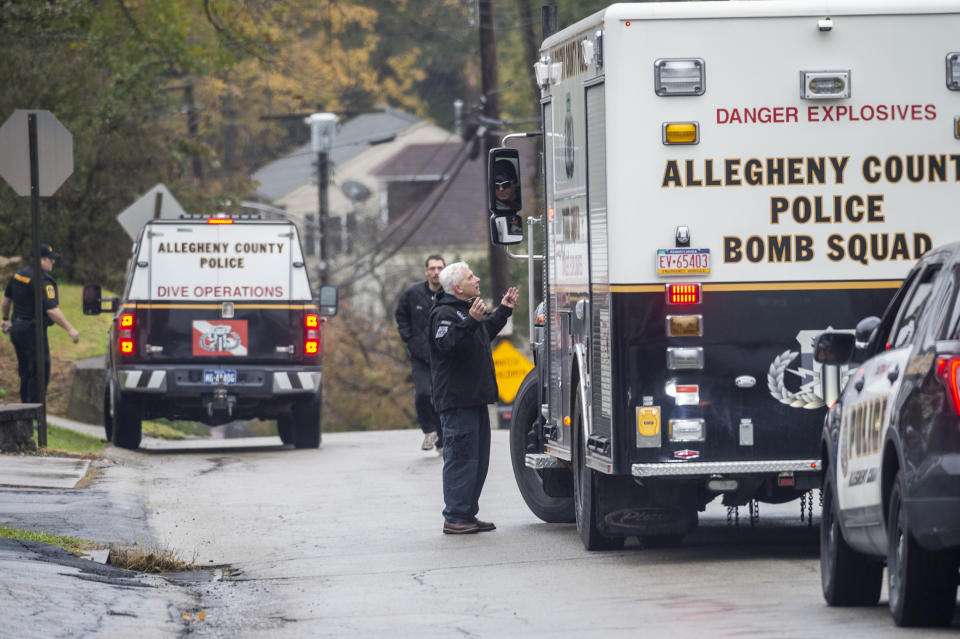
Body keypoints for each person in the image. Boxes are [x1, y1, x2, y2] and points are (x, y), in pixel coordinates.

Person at [429, 261, 518, 534]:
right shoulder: (443, 314)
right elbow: (447, 344)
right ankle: (455, 516)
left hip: (475, 399)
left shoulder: (466, 311)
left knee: (477, 460)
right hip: (457, 402)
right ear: (457, 287)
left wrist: (503, 311)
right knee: (461, 459)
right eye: (470, 277)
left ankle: (467, 512)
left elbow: (482, 333)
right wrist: (470, 322)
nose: (477, 279)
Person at [1, 243, 80, 403]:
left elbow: (6, 299)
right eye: (51, 259)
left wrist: (5, 319)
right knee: (40, 372)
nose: (54, 262)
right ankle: (36, 415)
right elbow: (51, 310)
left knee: (25, 372)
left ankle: (24, 414)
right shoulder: (43, 281)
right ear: (42, 260)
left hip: (17, 329)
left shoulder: (18, 275)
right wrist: (70, 329)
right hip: (33, 331)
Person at [395, 254, 445, 452]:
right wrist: (408, 337)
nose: (436, 272)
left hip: (443, 357)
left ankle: (442, 440)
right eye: (432, 268)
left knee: (442, 398)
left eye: (440, 268)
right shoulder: (412, 293)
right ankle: (429, 430)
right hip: (419, 356)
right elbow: (401, 315)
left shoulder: (449, 293)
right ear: (426, 271)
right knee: (422, 394)